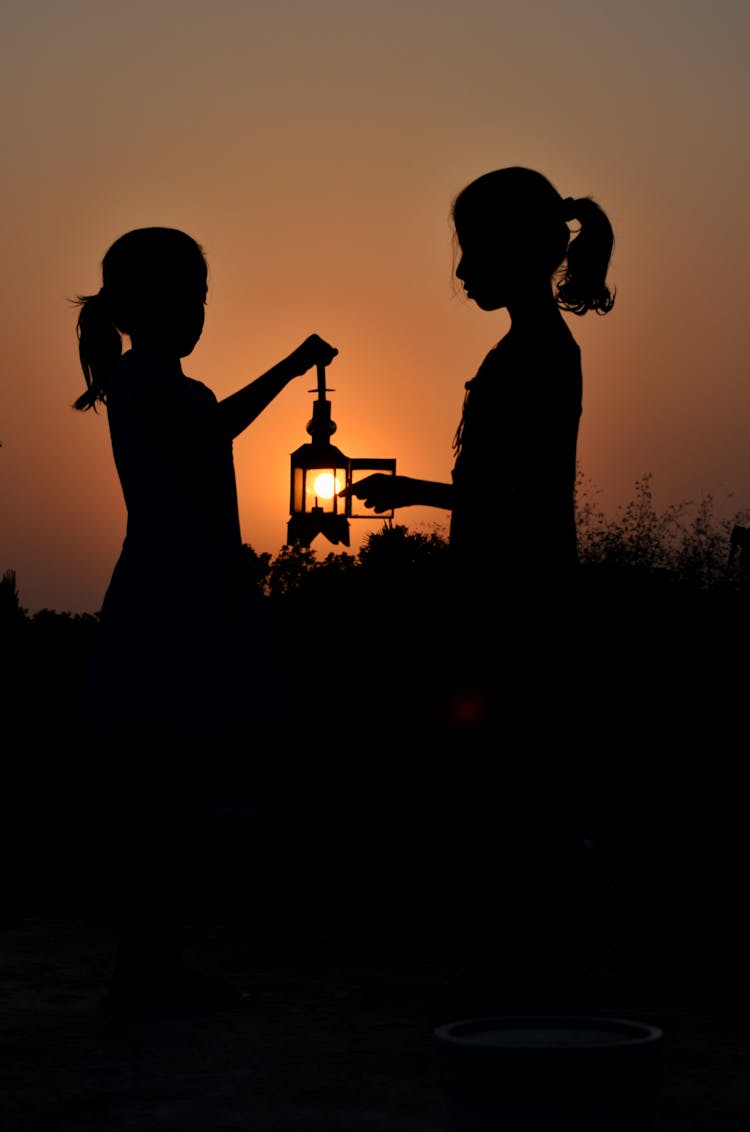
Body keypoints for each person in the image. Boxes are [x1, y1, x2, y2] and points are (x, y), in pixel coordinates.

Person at [344, 167, 615, 1013]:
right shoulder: (531, 347)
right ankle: (509, 961)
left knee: (511, 784)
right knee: (511, 781)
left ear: (515, 251)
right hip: (513, 595)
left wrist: (415, 495)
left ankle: (516, 965)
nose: (461, 272)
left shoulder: (536, 352)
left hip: (515, 603)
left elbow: (518, 497)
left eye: (471, 251)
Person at [73, 226, 337, 1014]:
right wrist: (291, 368)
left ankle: (153, 963)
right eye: (189, 296)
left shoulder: (150, 380)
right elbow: (214, 428)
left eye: (201, 297)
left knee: (174, 788)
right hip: (168, 598)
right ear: (147, 305)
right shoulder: (141, 381)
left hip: (188, 590)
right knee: (158, 789)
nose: (198, 311)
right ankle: (143, 966)